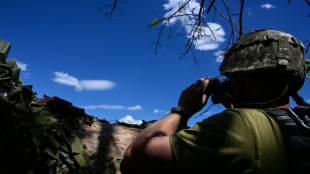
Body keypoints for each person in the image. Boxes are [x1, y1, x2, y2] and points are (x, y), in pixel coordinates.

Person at [121, 29, 309, 174]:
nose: (229, 84)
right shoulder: (300, 122)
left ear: (250, 83)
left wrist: (182, 109)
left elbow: (135, 157)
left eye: (233, 79)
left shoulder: (238, 125)